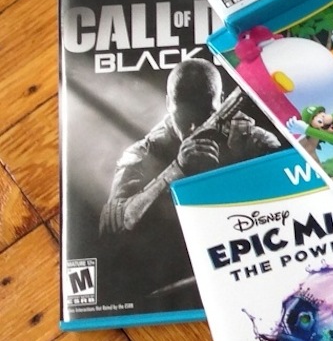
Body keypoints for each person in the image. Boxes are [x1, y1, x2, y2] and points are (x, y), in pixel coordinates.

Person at [99, 59, 281, 301]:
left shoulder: (252, 139)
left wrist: (240, 161)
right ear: (168, 104)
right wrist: (176, 170)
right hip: (170, 284)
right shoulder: (143, 153)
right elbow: (112, 229)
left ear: (221, 101)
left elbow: (289, 208)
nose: (194, 127)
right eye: (184, 117)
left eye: (205, 115)